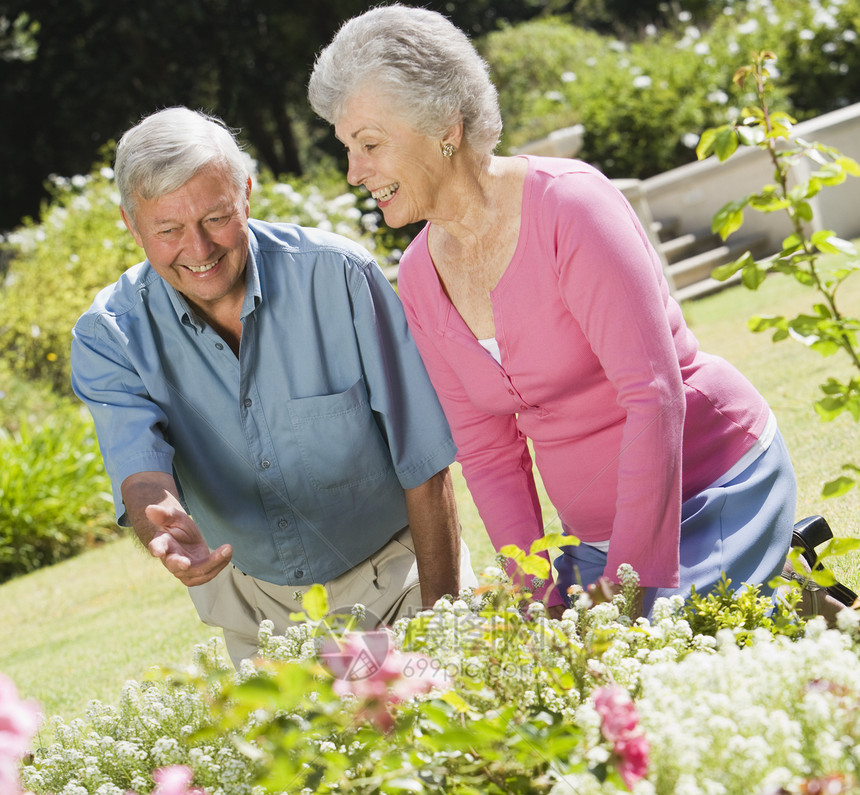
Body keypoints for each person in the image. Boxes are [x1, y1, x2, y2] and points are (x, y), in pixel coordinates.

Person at [308, 5, 849, 621]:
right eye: (348, 148)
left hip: (708, 486)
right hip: (596, 537)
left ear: (444, 127)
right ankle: (793, 599)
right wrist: (535, 592)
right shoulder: (420, 279)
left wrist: (630, 585)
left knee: (662, 651)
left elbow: (652, 395)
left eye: (369, 144)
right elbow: (488, 453)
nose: (355, 172)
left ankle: (780, 589)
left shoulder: (570, 208)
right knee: (569, 677)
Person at [71, 106, 473, 668]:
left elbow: (425, 467)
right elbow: (139, 468)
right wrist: (159, 520)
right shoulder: (108, 334)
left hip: (396, 583)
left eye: (215, 218)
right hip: (257, 616)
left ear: (246, 194)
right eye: (167, 230)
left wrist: (442, 627)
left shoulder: (340, 277)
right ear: (130, 223)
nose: (199, 250)